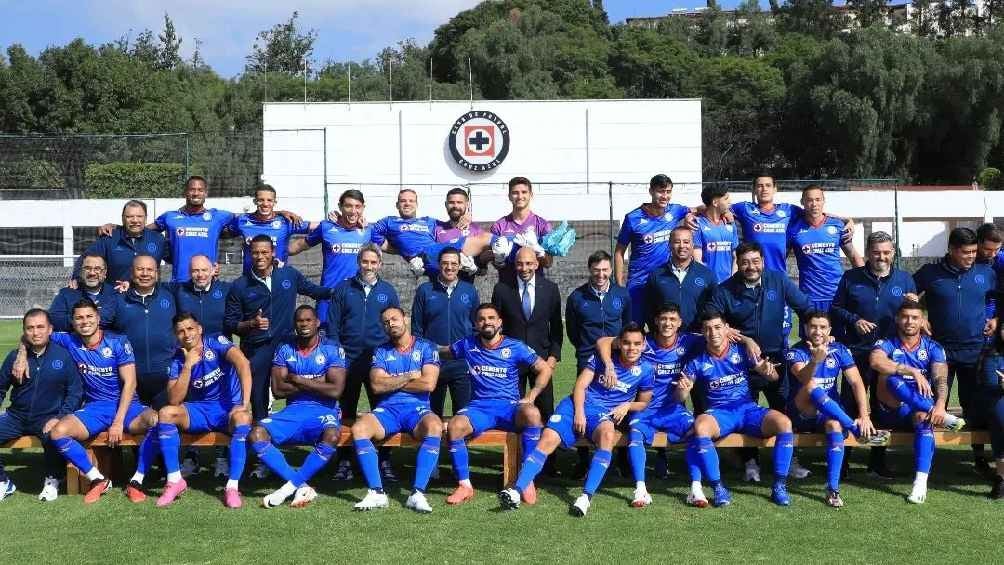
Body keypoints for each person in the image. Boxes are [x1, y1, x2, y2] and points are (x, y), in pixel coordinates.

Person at [497, 323, 654, 516]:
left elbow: (644, 403)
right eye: (627, 343)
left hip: (602, 414)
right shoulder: (601, 359)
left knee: (607, 433)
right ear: (619, 343)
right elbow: (580, 386)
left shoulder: (646, 369)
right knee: (547, 438)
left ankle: (585, 497)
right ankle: (516, 490)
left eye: (637, 343)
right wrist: (579, 411)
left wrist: (628, 405)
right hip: (575, 405)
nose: (632, 348)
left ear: (644, 344)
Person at [12, 300, 153, 504]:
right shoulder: (68, 340)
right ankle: (97, 479)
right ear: (73, 321)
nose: (84, 321)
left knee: (156, 420)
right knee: (58, 432)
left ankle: (137, 480)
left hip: (127, 406)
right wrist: (22, 355)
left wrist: (118, 422)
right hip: (95, 408)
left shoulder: (118, 342)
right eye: (79, 317)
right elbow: (33, 335)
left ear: (98, 318)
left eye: (89, 316)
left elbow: (130, 383)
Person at [127, 313, 253, 508]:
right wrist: (187, 366)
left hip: (227, 408)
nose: (186, 334)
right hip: (200, 410)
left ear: (199, 329)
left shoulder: (217, 341)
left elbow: (243, 364)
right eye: (180, 331)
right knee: (166, 413)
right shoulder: (178, 359)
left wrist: (244, 402)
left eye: (190, 328)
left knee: (243, 418)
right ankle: (175, 480)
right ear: (175, 335)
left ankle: (232, 487)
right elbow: (175, 399)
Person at [710, 241, 811, 482]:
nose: (751, 267)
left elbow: (805, 308)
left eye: (755, 261)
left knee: (784, 408)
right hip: (742, 362)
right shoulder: (725, 290)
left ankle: (790, 461)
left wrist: (815, 338)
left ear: (763, 262)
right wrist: (744, 339)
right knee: (746, 410)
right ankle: (751, 462)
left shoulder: (778, 280)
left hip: (776, 357)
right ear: (738, 263)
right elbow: (710, 317)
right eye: (745, 262)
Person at [441, 303, 552, 506]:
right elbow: (443, 351)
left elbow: (544, 368)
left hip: (509, 407)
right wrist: (417, 346)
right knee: (455, 426)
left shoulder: (515, 346)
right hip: (479, 407)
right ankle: (465, 485)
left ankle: (527, 480)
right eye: (482, 319)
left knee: (533, 414)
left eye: (491, 318)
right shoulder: (467, 344)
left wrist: (532, 395)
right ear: (476, 324)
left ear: (499, 322)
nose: (487, 322)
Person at [593, 304, 705, 505]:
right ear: (656, 321)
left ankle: (696, 489)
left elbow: (716, 335)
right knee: (635, 433)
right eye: (663, 318)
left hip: (673, 408)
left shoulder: (688, 341)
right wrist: (609, 364)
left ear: (680, 323)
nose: (667, 323)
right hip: (644, 408)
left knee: (696, 430)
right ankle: (641, 489)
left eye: (672, 319)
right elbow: (603, 341)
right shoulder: (643, 342)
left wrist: (747, 340)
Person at [680, 309, 793, 507]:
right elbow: (678, 396)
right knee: (701, 427)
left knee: (784, 423)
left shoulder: (742, 351)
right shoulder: (696, 362)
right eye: (707, 329)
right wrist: (683, 390)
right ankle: (718, 487)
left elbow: (773, 377)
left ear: (726, 329)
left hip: (747, 409)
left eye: (717, 327)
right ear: (703, 333)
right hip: (720, 413)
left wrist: (768, 372)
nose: (713, 333)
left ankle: (779, 486)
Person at [830, 231, 917, 477]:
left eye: (887, 252)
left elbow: (914, 316)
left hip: (888, 355)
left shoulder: (904, 280)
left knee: (881, 407)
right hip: (856, 351)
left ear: (893, 252)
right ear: (868, 253)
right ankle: (844, 460)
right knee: (850, 404)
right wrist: (855, 320)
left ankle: (876, 461)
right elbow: (835, 308)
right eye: (877, 252)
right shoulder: (851, 277)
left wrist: (914, 304)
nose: (882, 256)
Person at [785, 310, 889, 507]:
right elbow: (803, 378)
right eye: (813, 327)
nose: (817, 331)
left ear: (829, 330)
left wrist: (864, 416)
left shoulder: (839, 349)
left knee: (834, 425)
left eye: (823, 327)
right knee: (811, 385)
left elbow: (857, 382)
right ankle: (853, 427)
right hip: (802, 413)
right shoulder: (795, 351)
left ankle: (832, 489)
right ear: (806, 329)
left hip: (830, 413)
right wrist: (815, 360)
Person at [914, 227, 996, 474]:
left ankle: (979, 456)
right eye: (965, 252)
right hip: (941, 352)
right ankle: (927, 456)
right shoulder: (930, 273)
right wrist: (919, 318)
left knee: (975, 406)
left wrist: (997, 318)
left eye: (973, 251)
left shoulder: (986, 273)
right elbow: (907, 294)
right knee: (934, 403)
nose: (971, 256)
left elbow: (998, 298)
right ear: (951, 250)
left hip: (975, 350)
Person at [224, 235, 333, 422]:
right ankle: (260, 438)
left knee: (296, 388)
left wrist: (341, 289)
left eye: (264, 252)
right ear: (250, 254)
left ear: (272, 252)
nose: (260, 256)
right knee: (259, 396)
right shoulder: (239, 285)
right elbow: (230, 323)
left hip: (287, 345)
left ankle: (297, 427)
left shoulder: (289, 275)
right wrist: (252, 324)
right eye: (256, 252)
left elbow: (314, 291)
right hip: (256, 348)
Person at [870, 300, 966, 504]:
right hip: (890, 409)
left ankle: (920, 483)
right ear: (897, 319)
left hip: (917, 410)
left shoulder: (933, 347)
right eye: (905, 317)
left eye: (915, 318)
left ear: (922, 321)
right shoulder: (886, 343)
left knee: (924, 419)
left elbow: (941, 378)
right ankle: (937, 413)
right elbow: (875, 361)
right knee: (890, 376)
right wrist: (910, 370)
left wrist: (940, 405)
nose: (909, 322)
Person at [350, 306, 443, 513]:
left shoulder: (427, 347)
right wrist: (410, 376)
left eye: (394, 319)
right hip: (388, 410)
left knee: (435, 426)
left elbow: (428, 384)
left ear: (405, 319)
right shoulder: (381, 351)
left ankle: (417, 493)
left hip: (417, 410)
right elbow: (376, 386)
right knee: (359, 429)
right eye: (385, 322)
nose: (390, 324)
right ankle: (376, 493)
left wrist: (390, 381)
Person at [255, 305, 346, 509]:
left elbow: (335, 391)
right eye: (299, 321)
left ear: (317, 323)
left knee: (332, 435)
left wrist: (296, 379)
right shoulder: (285, 348)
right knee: (257, 434)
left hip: (324, 410)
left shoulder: (332, 348)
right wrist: (317, 382)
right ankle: (301, 485)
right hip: (294, 410)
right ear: (294, 324)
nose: (304, 324)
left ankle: (288, 488)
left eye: (308, 320)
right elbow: (278, 389)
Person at [327, 243, 400, 481]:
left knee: (384, 410)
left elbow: (394, 325)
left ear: (380, 264)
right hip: (348, 359)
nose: (369, 266)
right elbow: (333, 325)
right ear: (359, 263)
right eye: (365, 261)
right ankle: (345, 461)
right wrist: (337, 355)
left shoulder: (387, 291)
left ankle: (384, 461)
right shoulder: (343, 288)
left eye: (373, 262)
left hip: (377, 361)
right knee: (345, 411)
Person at [0, 309, 82, 502]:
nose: (35, 332)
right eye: (30, 328)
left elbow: (75, 392)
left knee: (53, 434)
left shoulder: (63, 356)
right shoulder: (15, 357)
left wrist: (60, 417)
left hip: (48, 416)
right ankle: (4, 482)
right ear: (24, 332)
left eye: (40, 327)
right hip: (16, 417)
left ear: (50, 329)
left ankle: (53, 479)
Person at [565, 249, 632, 477]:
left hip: (618, 362)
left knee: (619, 406)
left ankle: (622, 459)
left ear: (611, 270)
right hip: (587, 360)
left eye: (605, 270)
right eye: (596, 270)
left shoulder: (622, 295)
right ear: (589, 270)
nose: (601, 275)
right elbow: (573, 333)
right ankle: (583, 459)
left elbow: (628, 326)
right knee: (583, 405)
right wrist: (587, 350)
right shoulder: (577, 297)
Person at [490, 247, 563, 454]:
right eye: (520, 263)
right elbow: (497, 327)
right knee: (516, 410)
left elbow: (556, 327)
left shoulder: (550, 289)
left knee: (546, 409)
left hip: (542, 360)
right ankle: (517, 458)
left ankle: (549, 462)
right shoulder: (502, 289)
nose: (524, 268)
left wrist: (553, 357)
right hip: (512, 362)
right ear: (514, 265)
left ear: (537, 264)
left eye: (529, 263)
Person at [371, 188, 502, 277]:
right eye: (403, 201)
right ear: (397, 204)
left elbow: (452, 222)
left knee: (489, 244)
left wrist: (467, 216)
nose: (407, 204)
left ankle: (508, 250)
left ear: (417, 204)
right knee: (487, 239)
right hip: (426, 258)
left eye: (411, 201)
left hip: (440, 254)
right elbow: (373, 236)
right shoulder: (389, 222)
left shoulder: (429, 222)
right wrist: (403, 251)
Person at [614, 174, 691, 324]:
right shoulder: (633, 218)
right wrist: (619, 284)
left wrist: (689, 215)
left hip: (665, 282)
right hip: (639, 283)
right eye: (661, 191)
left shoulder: (675, 210)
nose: (665, 196)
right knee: (634, 329)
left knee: (665, 328)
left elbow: (698, 209)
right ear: (651, 191)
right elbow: (619, 252)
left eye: (668, 191)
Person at [288, 189, 372, 326]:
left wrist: (412, 256)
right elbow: (299, 245)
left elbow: (389, 244)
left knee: (354, 340)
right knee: (325, 339)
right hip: (328, 296)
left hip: (358, 296)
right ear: (340, 207)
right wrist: (273, 252)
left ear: (363, 208)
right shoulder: (326, 228)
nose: (353, 211)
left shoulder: (368, 230)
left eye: (357, 206)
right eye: (348, 206)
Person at [104, 255, 178, 409]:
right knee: (133, 428)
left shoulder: (171, 296)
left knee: (166, 424)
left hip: (166, 378)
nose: (145, 274)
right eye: (140, 269)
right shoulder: (118, 299)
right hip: (130, 380)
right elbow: (100, 327)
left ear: (157, 274)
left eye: (150, 270)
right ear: (132, 273)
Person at [412, 248, 477, 417]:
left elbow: (476, 326)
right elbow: (417, 329)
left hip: (462, 362)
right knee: (431, 415)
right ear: (438, 265)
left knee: (463, 415)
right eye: (445, 263)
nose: (449, 267)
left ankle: (458, 444)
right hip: (433, 362)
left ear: (460, 266)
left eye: (454, 263)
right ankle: (433, 444)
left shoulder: (469, 290)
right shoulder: (425, 290)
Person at [786, 185, 864, 315]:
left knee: (838, 335)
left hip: (838, 295)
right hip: (809, 298)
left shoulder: (837, 225)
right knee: (811, 335)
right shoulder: (793, 229)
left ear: (823, 201)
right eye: (809, 200)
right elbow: (781, 259)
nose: (814, 204)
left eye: (818, 199)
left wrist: (867, 283)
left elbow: (853, 256)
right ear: (802, 202)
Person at [644, 226, 717, 332]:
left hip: (697, 338)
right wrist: (658, 333)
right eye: (677, 242)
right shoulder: (657, 275)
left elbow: (714, 309)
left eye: (686, 242)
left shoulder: (707, 275)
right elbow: (648, 309)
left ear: (692, 245)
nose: (682, 246)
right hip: (666, 340)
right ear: (669, 245)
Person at [76, 199, 167, 285]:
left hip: (149, 298)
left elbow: (176, 258)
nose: (135, 220)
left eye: (139, 216)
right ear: (123, 219)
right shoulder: (109, 238)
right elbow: (85, 258)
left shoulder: (158, 239)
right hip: (116, 297)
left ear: (146, 218)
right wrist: (76, 278)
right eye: (129, 217)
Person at [228, 184, 310, 273]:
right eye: (261, 200)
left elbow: (316, 226)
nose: (265, 204)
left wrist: (327, 222)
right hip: (251, 281)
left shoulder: (286, 222)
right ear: (255, 201)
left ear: (275, 202)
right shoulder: (242, 220)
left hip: (278, 279)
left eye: (269, 200)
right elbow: (220, 229)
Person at [491, 176, 553, 277]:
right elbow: (496, 264)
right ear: (509, 196)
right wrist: (498, 260)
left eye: (524, 192)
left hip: (535, 286)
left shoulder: (543, 225)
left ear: (531, 195)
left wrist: (538, 251)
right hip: (507, 285)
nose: (520, 196)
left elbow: (548, 263)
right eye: (515, 193)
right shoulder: (498, 226)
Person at [50, 254, 118, 332]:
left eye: (97, 269)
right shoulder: (66, 294)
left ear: (104, 273)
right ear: (81, 271)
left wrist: (78, 319)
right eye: (87, 268)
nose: (92, 273)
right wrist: (82, 317)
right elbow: (55, 320)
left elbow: (117, 321)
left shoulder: (114, 294)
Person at [434, 187, 489, 281]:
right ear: (446, 204)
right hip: (438, 287)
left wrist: (475, 268)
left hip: (465, 288)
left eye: (459, 202)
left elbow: (483, 270)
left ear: (466, 205)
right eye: (451, 202)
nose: (455, 206)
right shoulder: (436, 228)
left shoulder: (476, 231)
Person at [692, 184, 739, 283]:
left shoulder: (730, 223)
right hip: (707, 284)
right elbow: (697, 259)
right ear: (715, 202)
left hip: (729, 285)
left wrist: (733, 278)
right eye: (726, 199)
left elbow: (736, 256)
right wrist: (708, 280)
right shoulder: (698, 223)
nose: (730, 201)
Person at [978, 323, 1004, 499]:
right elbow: (990, 386)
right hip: (992, 401)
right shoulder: (992, 354)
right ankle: (1001, 478)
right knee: (1000, 412)